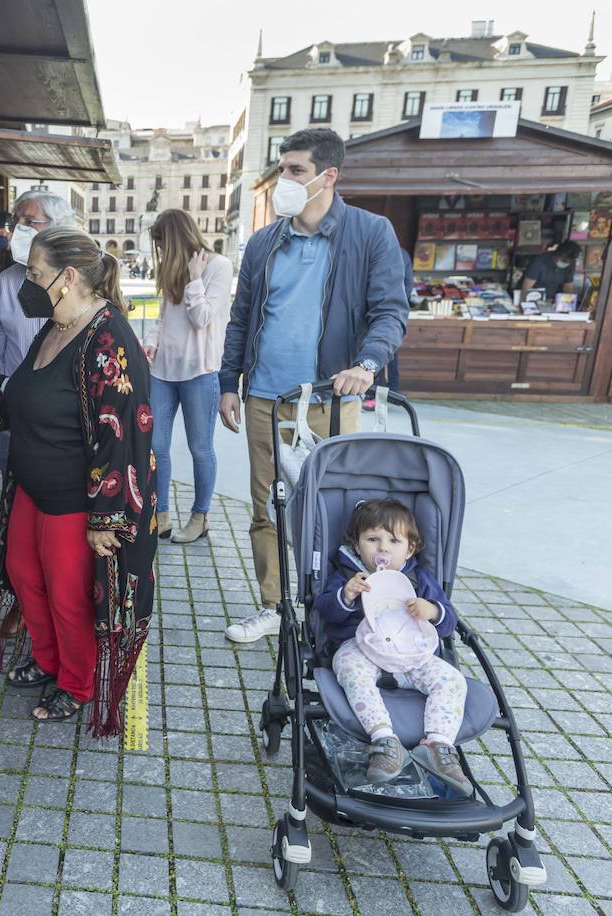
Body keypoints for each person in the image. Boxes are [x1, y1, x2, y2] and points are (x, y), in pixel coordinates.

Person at [0, 227, 155, 734]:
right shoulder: (54, 325)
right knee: (24, 574)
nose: (28, 285)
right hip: (32, 487)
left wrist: (106, 519)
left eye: (36, 275)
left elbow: (123, 433)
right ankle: (47, 659)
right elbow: (32, 393)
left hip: (74, 500)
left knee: (68, 597)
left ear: (67, 278)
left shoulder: (108, 337)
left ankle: (77, 682)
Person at [220, 128, 408, 644]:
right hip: (264, 396)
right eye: (282, 169)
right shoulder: (264, 242)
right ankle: (275, 606)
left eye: (296, 170)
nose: (285, 179)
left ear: (329, 176)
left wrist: (367, 364)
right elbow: (241, 318)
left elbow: (390, 311)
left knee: (332, 509)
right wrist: (228, 382)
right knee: (268, 507)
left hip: (331, 400)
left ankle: (333, 609)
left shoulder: (370, 233)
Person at [313, 499, 469, 793]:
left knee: (452, 680)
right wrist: (346, 596)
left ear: (409, 549)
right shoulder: (350, 575)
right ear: (357, 546)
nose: (382, 548)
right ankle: (385, 739)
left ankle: (438, 744)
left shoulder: (418, 579)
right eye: (373, 539)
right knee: (347, 666)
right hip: (363, 651)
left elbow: (449, 622)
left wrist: (432, 611)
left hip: (412, 657)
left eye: (393, 541)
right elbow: (325, 612)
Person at [142, 209, 234, 545]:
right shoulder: (172, 269)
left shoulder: (218, 266)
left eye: (164, 244)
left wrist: (195, 279)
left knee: (200, 448)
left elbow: (203, 318)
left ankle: (200, 517)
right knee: (156, 446)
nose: (162, 252)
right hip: (163, 371)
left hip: (200, 372)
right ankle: (161, 515)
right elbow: (163, 319)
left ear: (176, 238)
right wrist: (150, 344)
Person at [0, 190, 76, 468]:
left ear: (57, 226)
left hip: (67, 422)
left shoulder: (81, 281)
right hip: (16, 415)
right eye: (16, 219)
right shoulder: (4, 285)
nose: (18, 227)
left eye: (29, 220)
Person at [364, 247, 414, 411]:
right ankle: (392, 392)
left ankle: (376, 395)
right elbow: (408, 287)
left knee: (376, 353)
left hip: (382, 312)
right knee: (390, 354)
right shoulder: (403, 253)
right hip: (394, 312)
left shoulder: (385, 252)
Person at [519, 241, 579, 306]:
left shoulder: (571, 263)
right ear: (557, 254)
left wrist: (569, 303)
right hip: (533, 298)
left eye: (568, 261)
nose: (565, 263)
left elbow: (568, 285)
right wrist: (523, 304)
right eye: (563, 260)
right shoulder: (539, 261)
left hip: (551, 301)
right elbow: (526, 288)